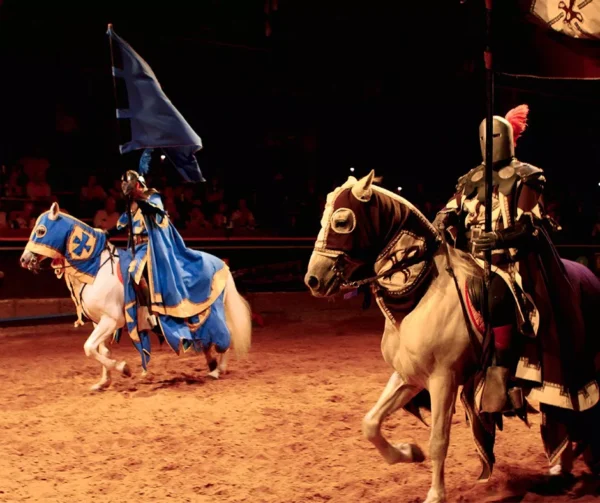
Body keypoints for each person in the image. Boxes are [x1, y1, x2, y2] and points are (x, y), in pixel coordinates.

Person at [433, 104, 590, 415]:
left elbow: (530, 226)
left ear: (507, 138)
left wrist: (500, 238)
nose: (489, 143)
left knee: (495, 294)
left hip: (511, 262)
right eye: (484, 137)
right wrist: (441, 219)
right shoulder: (470, 179)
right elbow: (452, 207)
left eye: (494, 136)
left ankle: (501, 370)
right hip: (470, 258)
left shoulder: (527, 177)